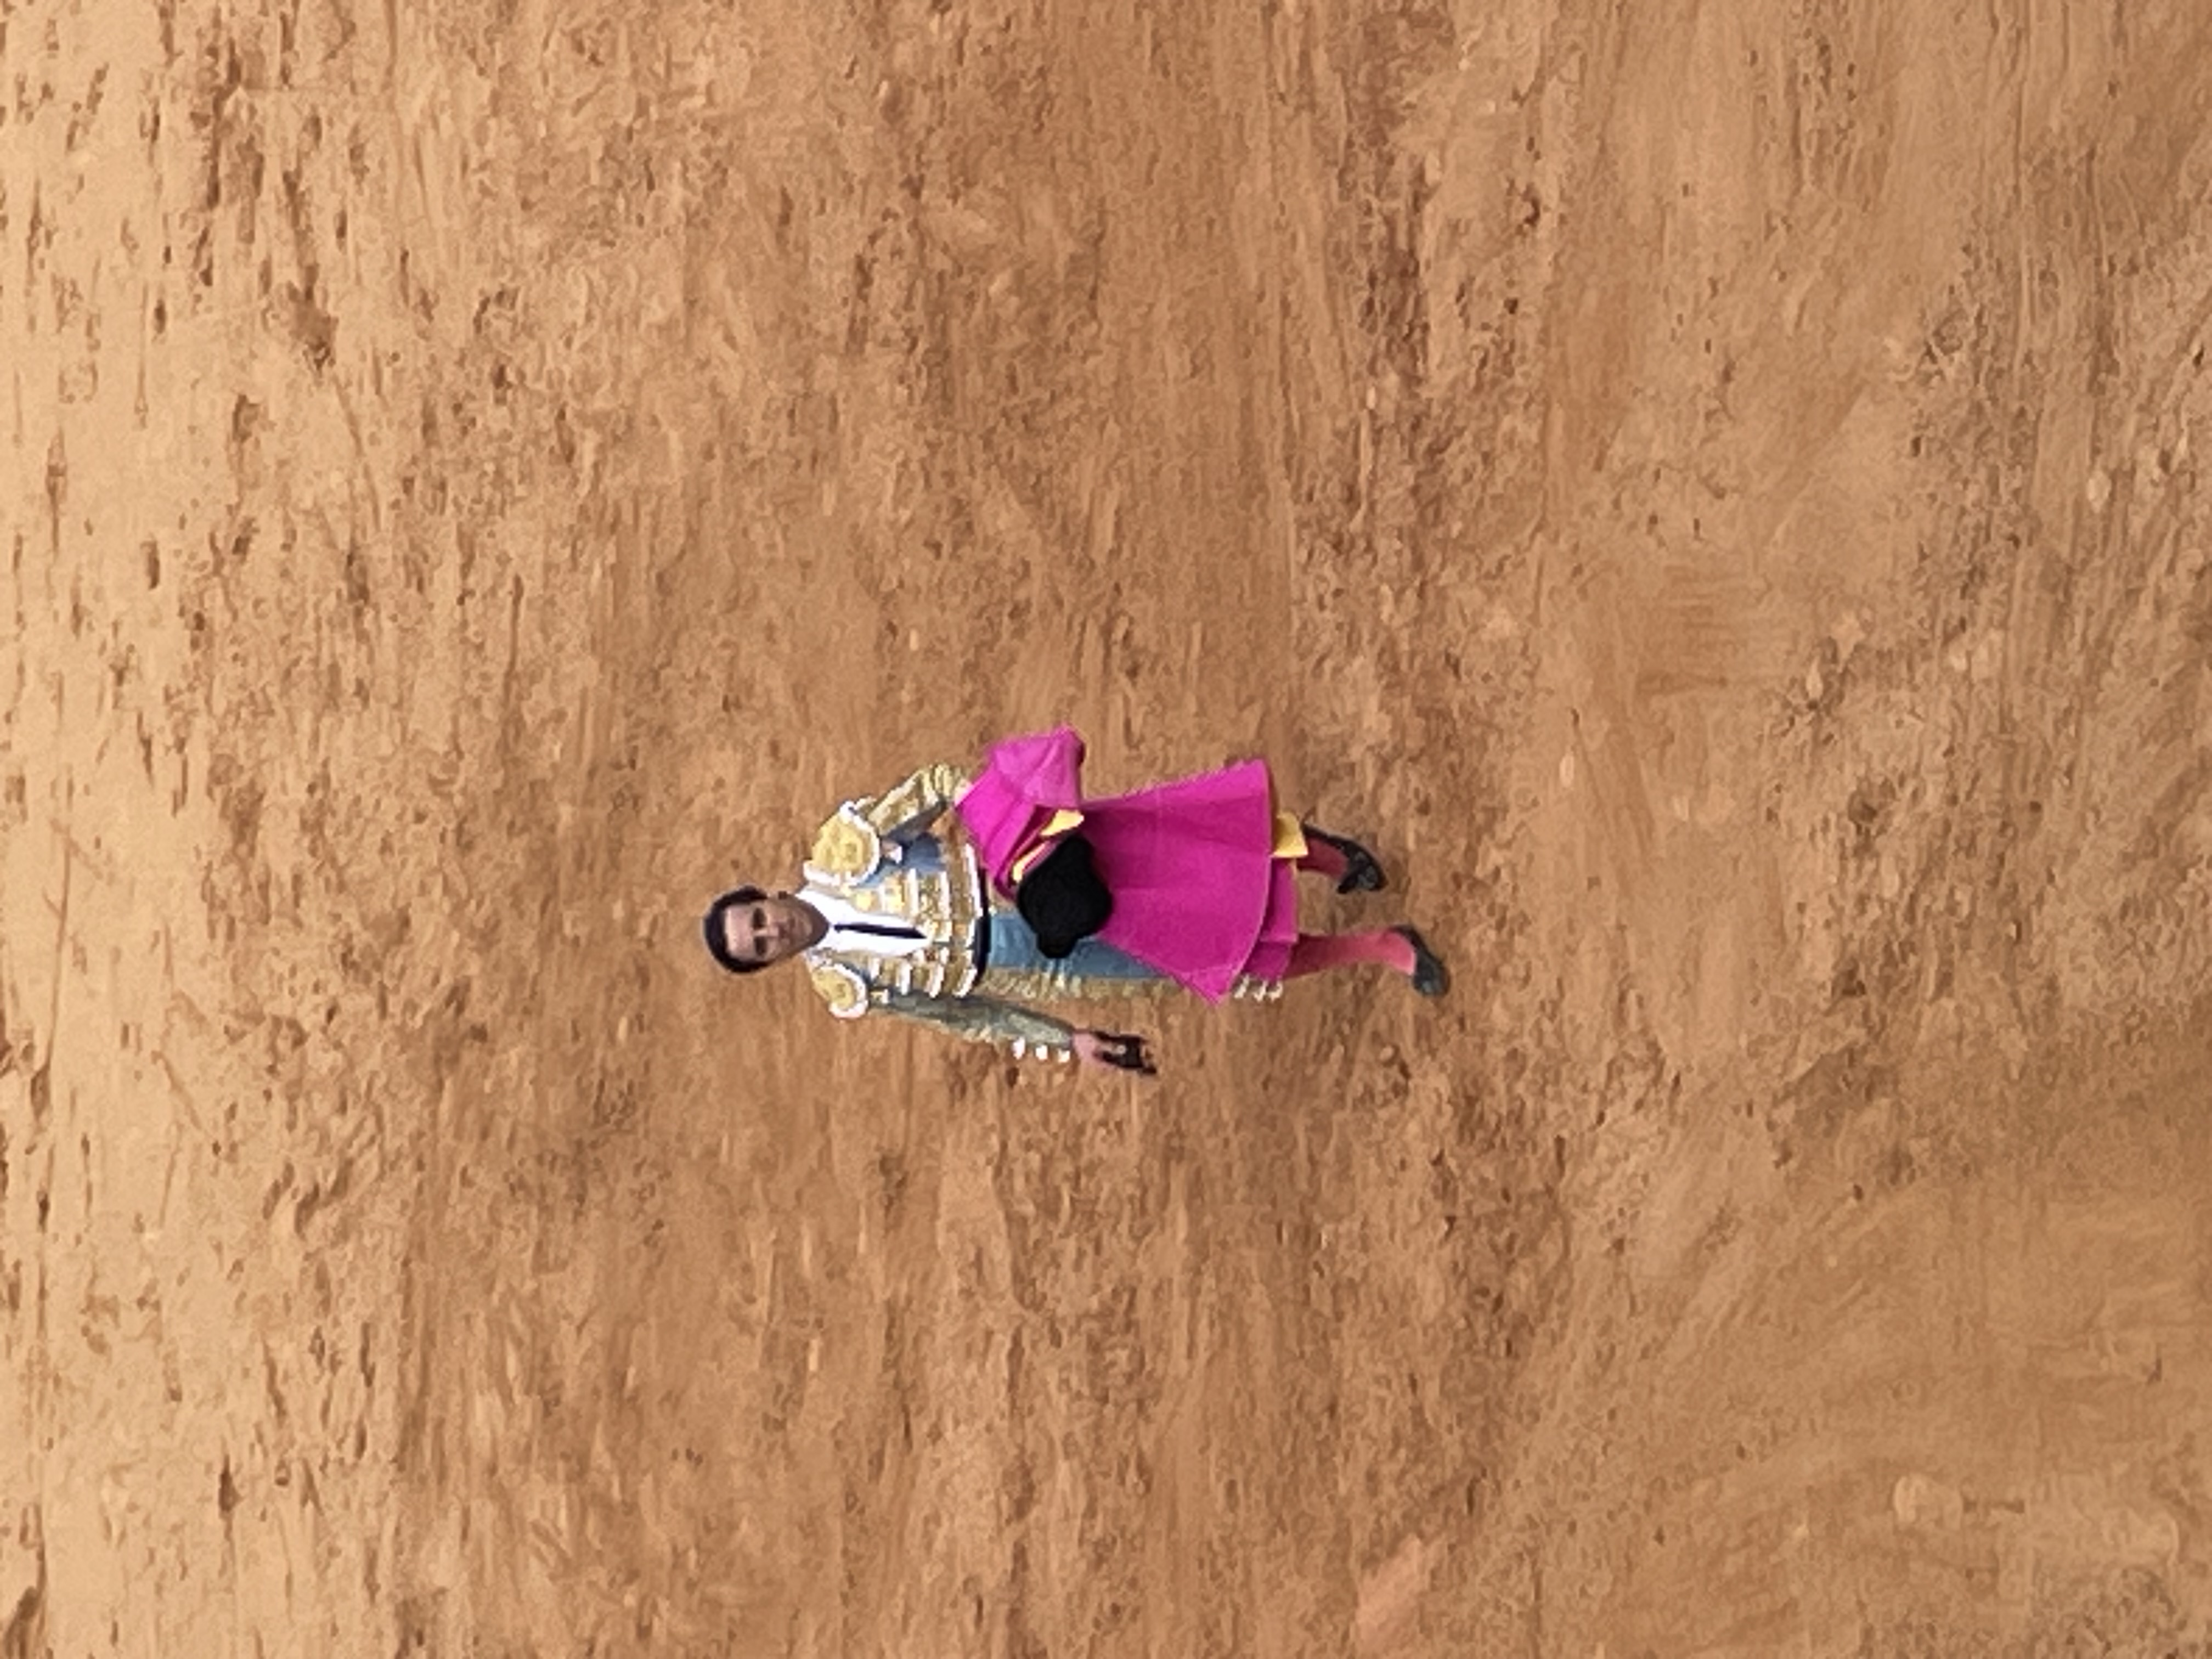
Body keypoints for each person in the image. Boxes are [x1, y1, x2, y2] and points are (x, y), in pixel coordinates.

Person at [700, 727, 1447, 1074]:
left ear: (766, 896)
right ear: (772, 962)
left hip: (1038, 873)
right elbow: (969, 1016)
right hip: (1055, 956)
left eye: (758, 918)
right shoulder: (849, 987)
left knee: (1186, 859)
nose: (773, 930)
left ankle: (1322, 855)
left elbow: (935, 786)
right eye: (761, 944)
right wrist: (1070, 1041)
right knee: (1218, 954)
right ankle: (1383, 947)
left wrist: (1009, 838)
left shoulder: (846, 849)